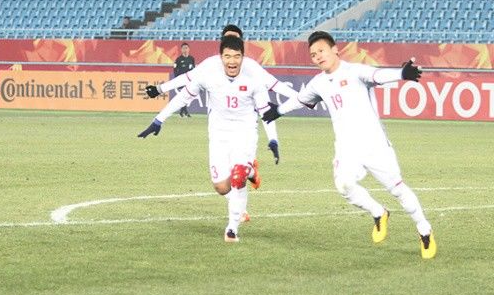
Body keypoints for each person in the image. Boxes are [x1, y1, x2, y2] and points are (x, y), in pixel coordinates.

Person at [262, 31, 436, 259]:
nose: (317, 57)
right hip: (346, 148)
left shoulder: (355, 71)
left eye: (321, 50)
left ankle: (424, 229)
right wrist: (278, 111)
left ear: (335, 49)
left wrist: (402, 73)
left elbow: (378, 75)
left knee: (397, 189)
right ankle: (379, 212)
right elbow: (301, 99)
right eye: (313, 54)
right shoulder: (318, 83)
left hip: (374, 144)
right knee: (343, 184)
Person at [138, 36, 272, 243]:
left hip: (244, 133)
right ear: (221, 56)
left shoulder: (253, 76)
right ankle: (252, 172)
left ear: (242, 57)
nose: (232, 60)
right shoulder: (208, 73)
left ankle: (232, 229)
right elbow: (183, 94)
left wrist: (274, 140)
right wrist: (158, 120)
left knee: (237, 176)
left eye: (236, 56)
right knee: (221, 187)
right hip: (218, 135)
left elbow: (268, 107)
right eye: (227, 56)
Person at [145, 24, 294, 167]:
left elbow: (276, 85)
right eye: (227, 39)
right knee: (222, 184)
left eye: (235, 40)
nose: (231, 43)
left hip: (245, 126)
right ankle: (247, 170)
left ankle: (248, 169)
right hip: (218, 128)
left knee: (239, 172)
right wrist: (160, 90)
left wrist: (303, 98)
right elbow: (187, 79)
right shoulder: (210, 66)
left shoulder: (252, 68)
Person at [173, 42, 195, 117]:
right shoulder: (178, 59)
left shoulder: (191, 59)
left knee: (187, 97)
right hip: (181, 81)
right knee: (184, 96)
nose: (185, 50)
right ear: (181, 50)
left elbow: (193, 69)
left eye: (186, 48)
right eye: (183, 48)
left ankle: (182, 112)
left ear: (189, 49)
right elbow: (175, 70)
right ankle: (185, 112)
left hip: (189, 81)